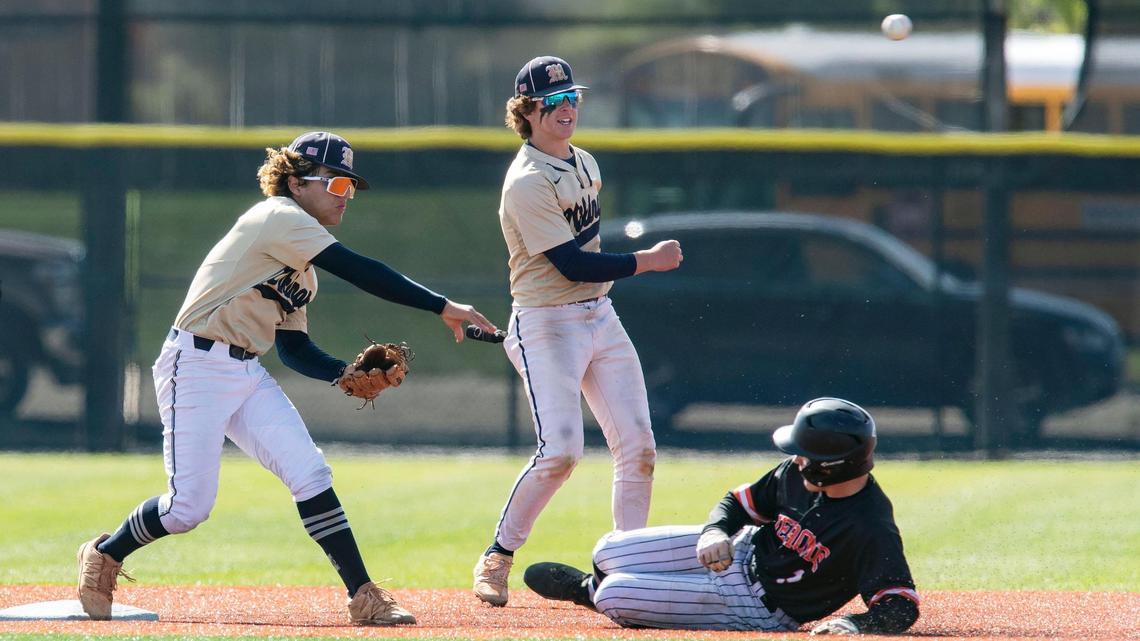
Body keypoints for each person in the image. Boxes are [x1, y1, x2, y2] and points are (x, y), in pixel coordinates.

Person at [76, 131, 498, 626]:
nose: (347, 197)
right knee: (188, 508)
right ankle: (106, 551)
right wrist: (442, 306)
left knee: (311, 473)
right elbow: (359, 269)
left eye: (352, 189)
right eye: (337, 185)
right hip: (194, 364)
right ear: (297, 184)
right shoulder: (278, 217)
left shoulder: (303, 267)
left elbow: (293, 348)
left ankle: (363, 594)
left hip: (245, 370)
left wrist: (343, 375)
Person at [472, 56, 684, 607]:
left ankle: (628, 570)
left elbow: (587, 264)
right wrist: (647, 261)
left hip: (599, 317)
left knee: (638, 447)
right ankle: (497, 556)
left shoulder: (584, 161)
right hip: (547, 323)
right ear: (527, 111)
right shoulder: (526, 181)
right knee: (561, 452)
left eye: (573, 99)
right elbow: (571, 264)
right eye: (554, 102)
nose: (567, 109)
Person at [523, 398, 921, 635]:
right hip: (739, 551)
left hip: (758, 607)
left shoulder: (870, 526)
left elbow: (900, 603)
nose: (797, 458)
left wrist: (856, 624)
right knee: (608, 550)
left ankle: (587, 592)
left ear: (830, 466)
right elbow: (737, 503)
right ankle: (623, 584)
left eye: (806, 454)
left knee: (614, 593)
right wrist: (714, 532)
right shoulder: (794, 474)